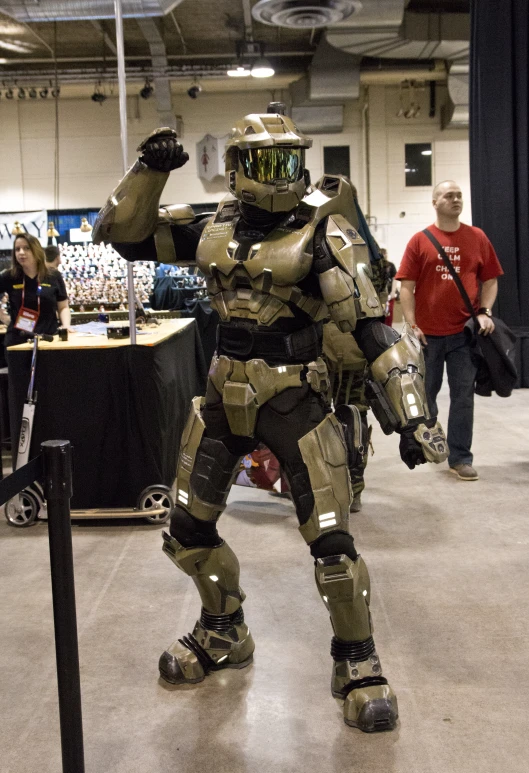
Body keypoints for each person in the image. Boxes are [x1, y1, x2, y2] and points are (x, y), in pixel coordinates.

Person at [94, 104, 448, 732]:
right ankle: (223, 630)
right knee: (185, 532)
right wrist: (149, 170)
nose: (278, 173)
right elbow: (122, 233)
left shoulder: (321, 234)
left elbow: (372, 330)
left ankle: (357, 662)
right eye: (263, 160)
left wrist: (413, 416)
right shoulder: (211, 227)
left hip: (296, 403)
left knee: (332, 546)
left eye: (288, 158)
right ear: (235, 169)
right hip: (221, 399)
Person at [397, 180, 503, 481]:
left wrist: (485, 311)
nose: (455, 199)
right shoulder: (420, 240)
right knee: (425, 396)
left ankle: (460, 458)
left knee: (462, 397)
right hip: (427, 336)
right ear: (435, 201)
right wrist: (412, 324)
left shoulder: (477, 237)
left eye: (458, 195)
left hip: (463, 335)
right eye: (448, 195)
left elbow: (491, 279)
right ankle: (431, 443)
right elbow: (406, 287)